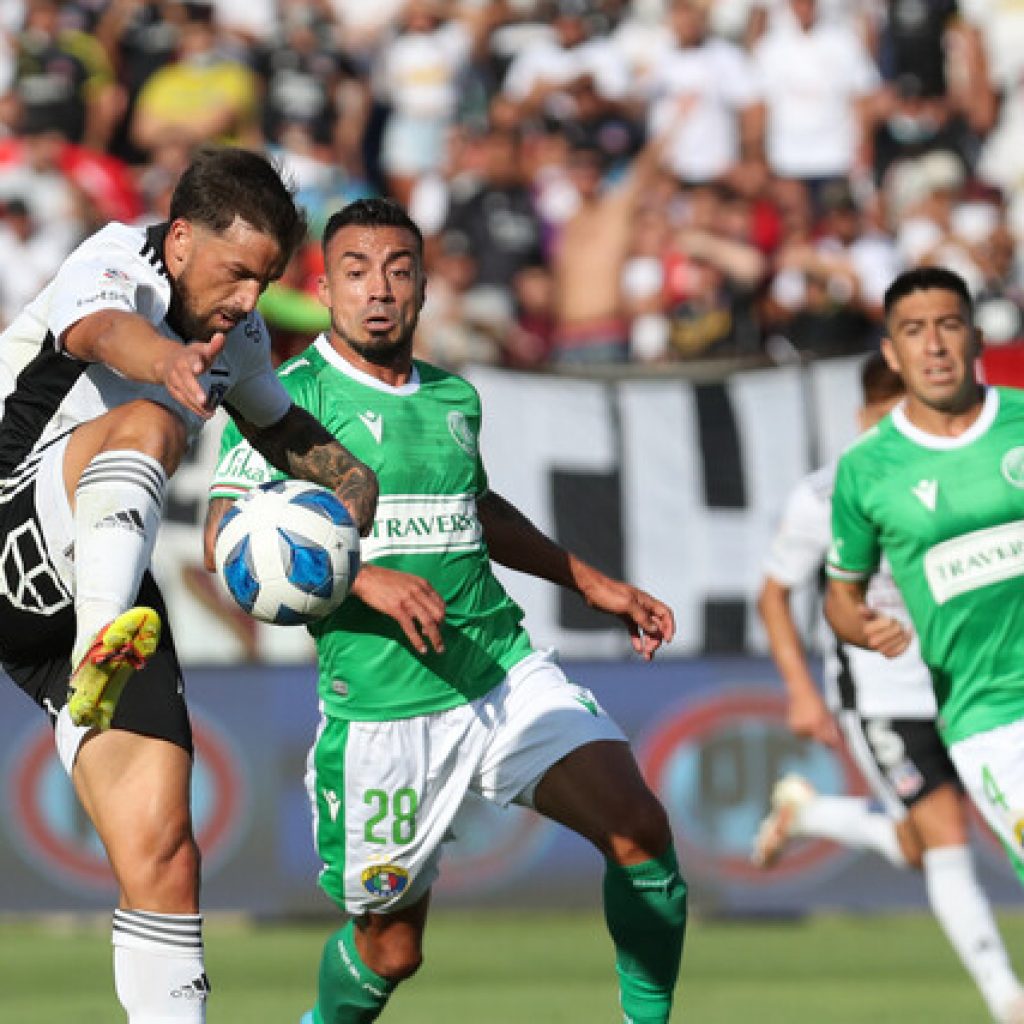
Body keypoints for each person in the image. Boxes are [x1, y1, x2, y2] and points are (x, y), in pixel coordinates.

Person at [205, 197, 687, 1024]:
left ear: (424, 289)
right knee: (393, 950)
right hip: (385, 712)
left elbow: (476, 509)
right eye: (357, 272)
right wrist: (362, 577)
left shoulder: (453, 396)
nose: (379, 290)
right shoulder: (284, 399)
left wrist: (590, 581)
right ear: (325, 289)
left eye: (399, 271)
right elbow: (229, 541)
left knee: (640, 831)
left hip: (499, 673)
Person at [0, 146, 378, 1022]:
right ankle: (105, 636)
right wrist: (166, 365)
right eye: (239, 273)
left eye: (269, 278)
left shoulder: (235, 338)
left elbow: (281, 426)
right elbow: (100, 334)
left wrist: (351, 481)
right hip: (16, 522)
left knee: (165, 855)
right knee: (143, 423)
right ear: (178, 241)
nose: (252, 300)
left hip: (76, 595)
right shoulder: (114, 264)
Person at [753, 351, 1024, 1024]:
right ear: (862, 416)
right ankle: (1007, 1000)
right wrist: (801, 690)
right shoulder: (827, 493)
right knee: (942, 838)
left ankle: (810, 815)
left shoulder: (966, 474)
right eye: (886, 414)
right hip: (883, 697)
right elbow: (773, 594)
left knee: (916, 846)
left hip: (973, 683)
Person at [826, 265, 1024, 1020]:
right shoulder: (867, 471)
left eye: (947, 325)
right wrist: (861, 627)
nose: (934, 345)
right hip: (990, 722)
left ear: (975, 335)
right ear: (893, 349)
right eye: (915, 330)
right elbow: (839, 595)